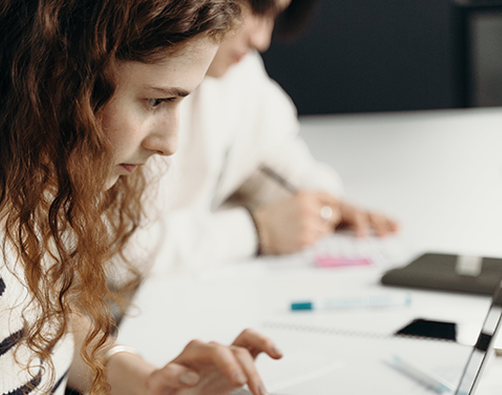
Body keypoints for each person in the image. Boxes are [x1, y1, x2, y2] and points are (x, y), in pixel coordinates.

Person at [0, 1, 282, 395]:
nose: (170, 141)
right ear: (55, 77)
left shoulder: (32, 184)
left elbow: (36, 317)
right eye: (156, 101)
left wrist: (145, 380)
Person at [126, 0, 399, 276]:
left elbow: (276, 155)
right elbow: (114, 252)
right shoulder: (131, 68)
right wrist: (257, 231)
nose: (262, 39)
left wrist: (322, 204)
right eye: (258, 10)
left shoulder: (240, 74)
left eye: (275, 16)